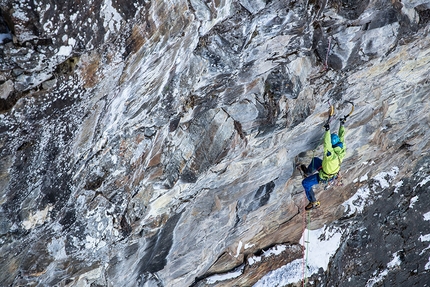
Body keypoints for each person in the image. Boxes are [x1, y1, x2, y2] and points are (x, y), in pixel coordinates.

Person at [300, 118, 346, 210]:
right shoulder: (341, 150)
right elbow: (342, 137)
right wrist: (342, 125)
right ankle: (307, 173)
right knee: (315, 160)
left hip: (324, 176)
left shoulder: (330, 156)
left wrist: (327, 130)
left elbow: (327, 143)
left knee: (305, 183)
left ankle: (313, 201)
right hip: (329, 170)